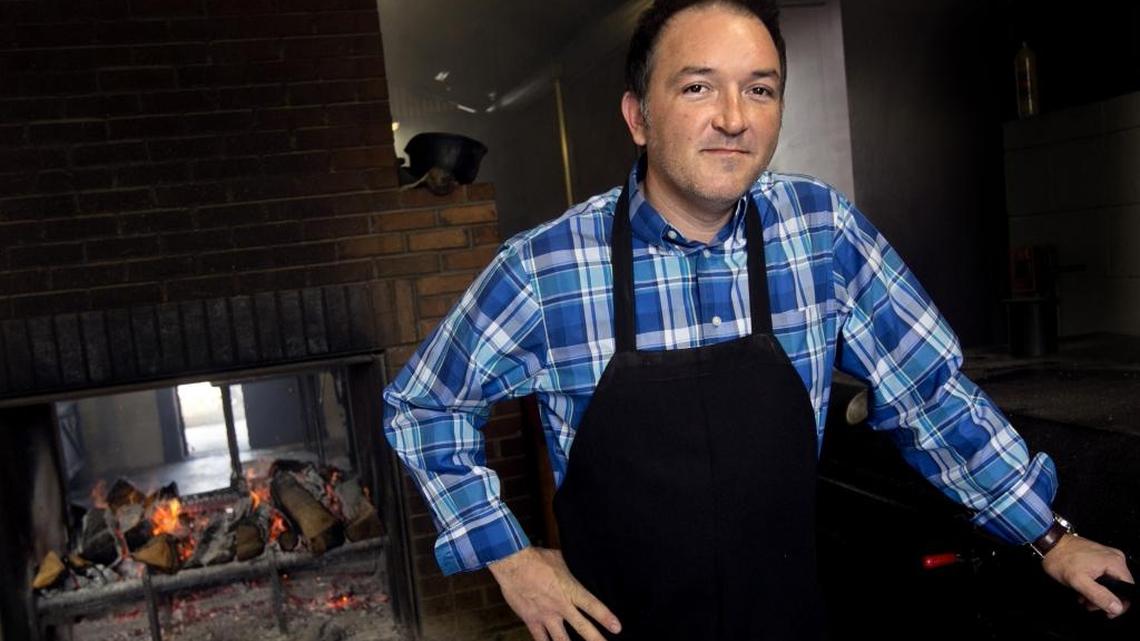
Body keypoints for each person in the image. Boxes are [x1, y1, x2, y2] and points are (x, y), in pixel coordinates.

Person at [382, 1, 1134, 639]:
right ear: (639, 116)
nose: (735, 119)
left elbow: (930, 394)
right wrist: (509, 555)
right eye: (699, 87)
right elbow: (423, 404)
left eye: (761, 89)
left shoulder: (822, 232)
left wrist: (1049, 535)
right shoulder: (545, 269)